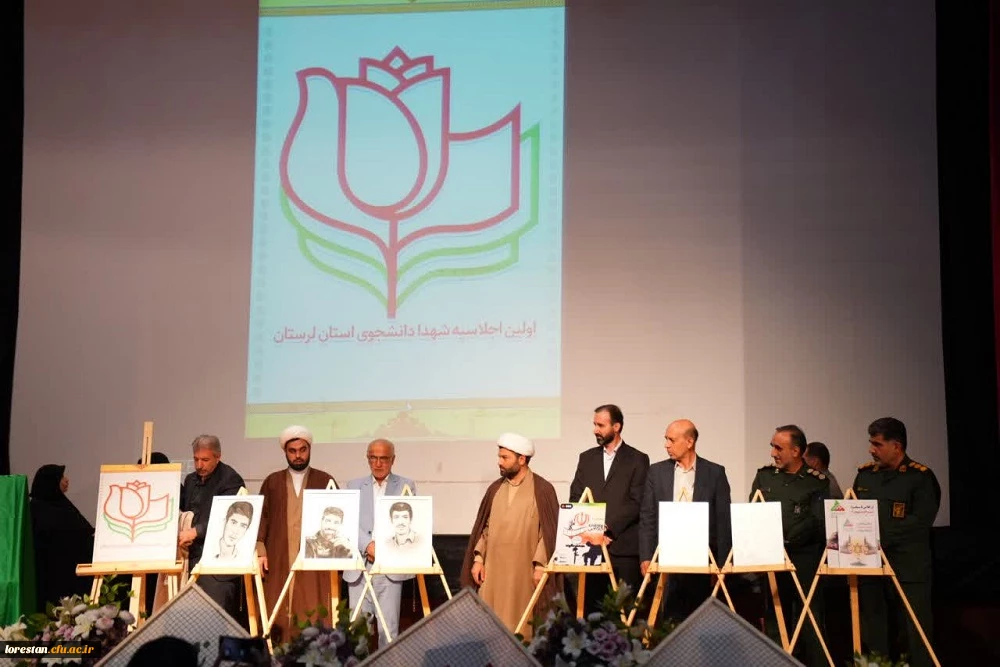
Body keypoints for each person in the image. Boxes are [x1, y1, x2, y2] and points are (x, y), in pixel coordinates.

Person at [852, 417, 940, 667]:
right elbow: (853, 514)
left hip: (908, 567)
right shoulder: (865, 476)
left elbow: (920, 522)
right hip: (871, 566)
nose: (871, 450)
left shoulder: (920, 477)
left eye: (877, 444)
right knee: (874, 630)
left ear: (897, 446)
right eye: (871, 443)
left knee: (914, 632)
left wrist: (878, 538)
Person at [460, 433, 561, 638]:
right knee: (488, 626)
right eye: (499, 457)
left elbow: (547, 533)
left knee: (520, 625)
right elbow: (485, 528)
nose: (499, 462)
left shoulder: (542, 489)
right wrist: (478, 559)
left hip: (522, 573)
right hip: (493, 573)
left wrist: (540, 566)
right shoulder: (495, 489)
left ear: (521, 459)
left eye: (505, 457)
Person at [750, 425, 831, 666]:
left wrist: (787, 540)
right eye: (772, 447)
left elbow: (818, 522)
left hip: (804, 560)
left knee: (810, 619)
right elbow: (754, 513)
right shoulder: (765, 476)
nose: (772, 453)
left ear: (796, 451)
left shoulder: (816, 482)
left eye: (778, 448)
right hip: (772, 559)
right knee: (776, 619)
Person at [639, 419, 732, 622]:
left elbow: (723, 521)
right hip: (667, 559)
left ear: (689, 442)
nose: (666, 445)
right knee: (670, 620)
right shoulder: (656, 472)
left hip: (704, 561)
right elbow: (648, 516)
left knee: (702, 620)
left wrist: (722, 564)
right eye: (666, 439)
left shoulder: (715, 473)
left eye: (671, 440)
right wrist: (646, 555)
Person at [256, 425, 337, 643]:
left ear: (309, 449)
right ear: (285, 452)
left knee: (313, 607)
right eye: (292, 451)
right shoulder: (272, 482)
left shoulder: (325, 480)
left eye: (302, 450)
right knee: (277, 608)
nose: (298, 455)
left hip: (315, 559)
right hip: (279, 556)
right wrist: (261, 551)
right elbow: (261, 518)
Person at [568, 404, 650, 612]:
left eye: (601, 425)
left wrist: (607, 528)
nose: (595, 430)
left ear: (616, 426)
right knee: (592, 613)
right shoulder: (586, 458)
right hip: (591, 549)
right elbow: (577, 497)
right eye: (594, 424)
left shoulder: (637, 459)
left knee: (625, 613)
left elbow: (637, 501)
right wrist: (592, 531)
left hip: (623, 549)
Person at [345, 438, 416, 648]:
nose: (377, 463)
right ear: (367, 458)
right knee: (358, 630)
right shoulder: (353, 485)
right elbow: (348, 522)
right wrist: (367, 545)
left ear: (393, 460)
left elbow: (410, 521)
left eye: (383, 458)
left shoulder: (406, 485)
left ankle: (387, 662)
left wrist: (382, 549)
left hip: (389, 568)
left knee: (388, 630)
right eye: (373, 458)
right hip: (359, 567)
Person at [179, 435, 246, 620]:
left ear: (218, 457)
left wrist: (195, 531)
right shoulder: (191, 480)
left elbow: (225, 519)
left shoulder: (231, 480)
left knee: (216, 619)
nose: (199, 465)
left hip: (218, 568)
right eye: (196, 459)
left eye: (205, 460)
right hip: (192, 560)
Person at [29, 464, 95, 610]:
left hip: (69, 574)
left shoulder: (60, 504)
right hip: (53, 576)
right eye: (61, 477)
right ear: (51, 481)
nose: (66, 480)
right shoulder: (38, 509)